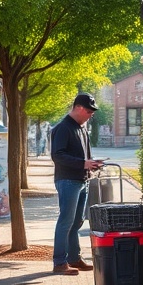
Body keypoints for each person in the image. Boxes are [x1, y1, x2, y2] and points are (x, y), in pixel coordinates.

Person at [50, 92, 104, 275]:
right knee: (66, 221)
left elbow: (83, 156)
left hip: (81, 179)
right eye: (89, 111)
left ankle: (74, 258)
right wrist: (83, 164)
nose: (91, 115)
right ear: (79, 108)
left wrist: (91, 164)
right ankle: (59, 262)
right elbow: (57, 155)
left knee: (77, 221)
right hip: (68, 180)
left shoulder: (81, 128)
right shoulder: (63, 128)